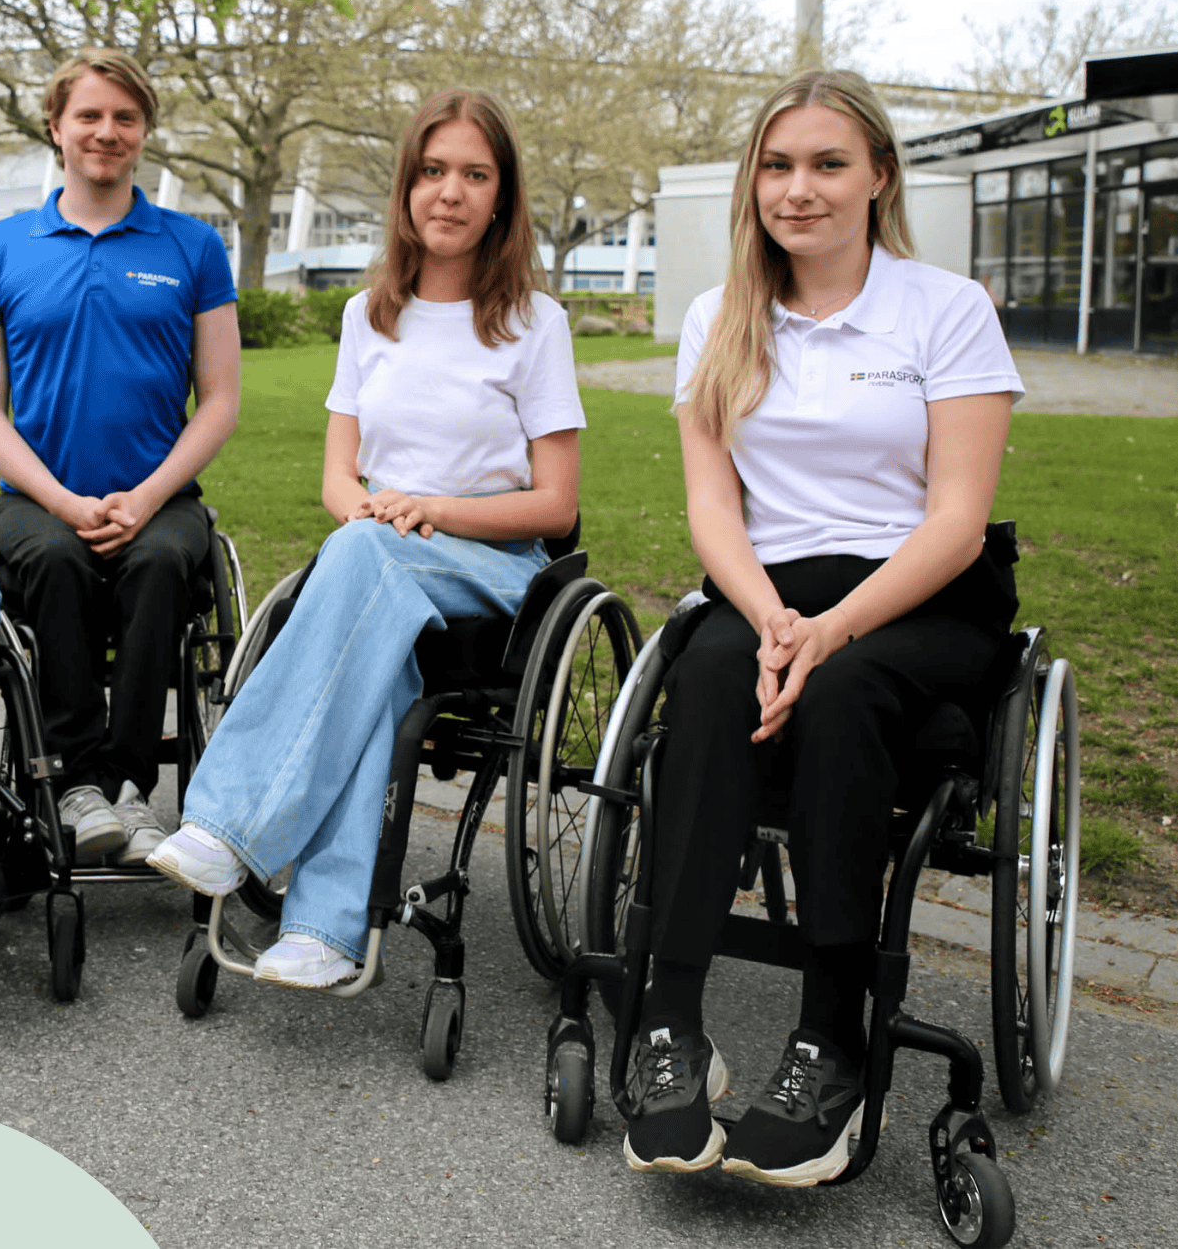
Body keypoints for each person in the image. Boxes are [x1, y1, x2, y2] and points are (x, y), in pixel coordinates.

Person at [623, 70, 1024, 1186]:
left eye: (826, 164)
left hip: (916, 590)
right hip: (769, 586)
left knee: (844, 692)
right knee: (701, 680)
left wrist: (830, 629)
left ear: (877, 177)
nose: (797, 189)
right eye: (776, 164)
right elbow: (712, 506)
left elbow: (952, 520)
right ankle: (667, 1023)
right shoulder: (718, 316)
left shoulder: (943, 309)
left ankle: (828, 1036)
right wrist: (765, 618)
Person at [148, 88, 583, 988]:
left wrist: (427, 507)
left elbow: (554, 503)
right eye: (431, 172)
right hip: (380, 555)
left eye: (473, 174)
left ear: (501, 196)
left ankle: (231, 824)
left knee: (362, 550)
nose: (449, 193)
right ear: (405, 188)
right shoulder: (365, 316)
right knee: (371, 627)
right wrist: (376, 512)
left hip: (494, 564)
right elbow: (336, 480)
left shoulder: (535, 324)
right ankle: (325, 929)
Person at [0, 47, 240, 867]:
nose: (105, 132)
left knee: (157, 567)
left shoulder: (191, 246)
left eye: (123, 117)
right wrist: (60, 501)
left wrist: (148, 497)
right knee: (55, 561)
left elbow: (218, 400)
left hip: (161, 497)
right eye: (88, 115)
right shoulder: (0, 248)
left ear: (144, 132)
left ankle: (128, 792)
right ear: (55, 128)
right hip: (38, 500)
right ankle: (76, 784)